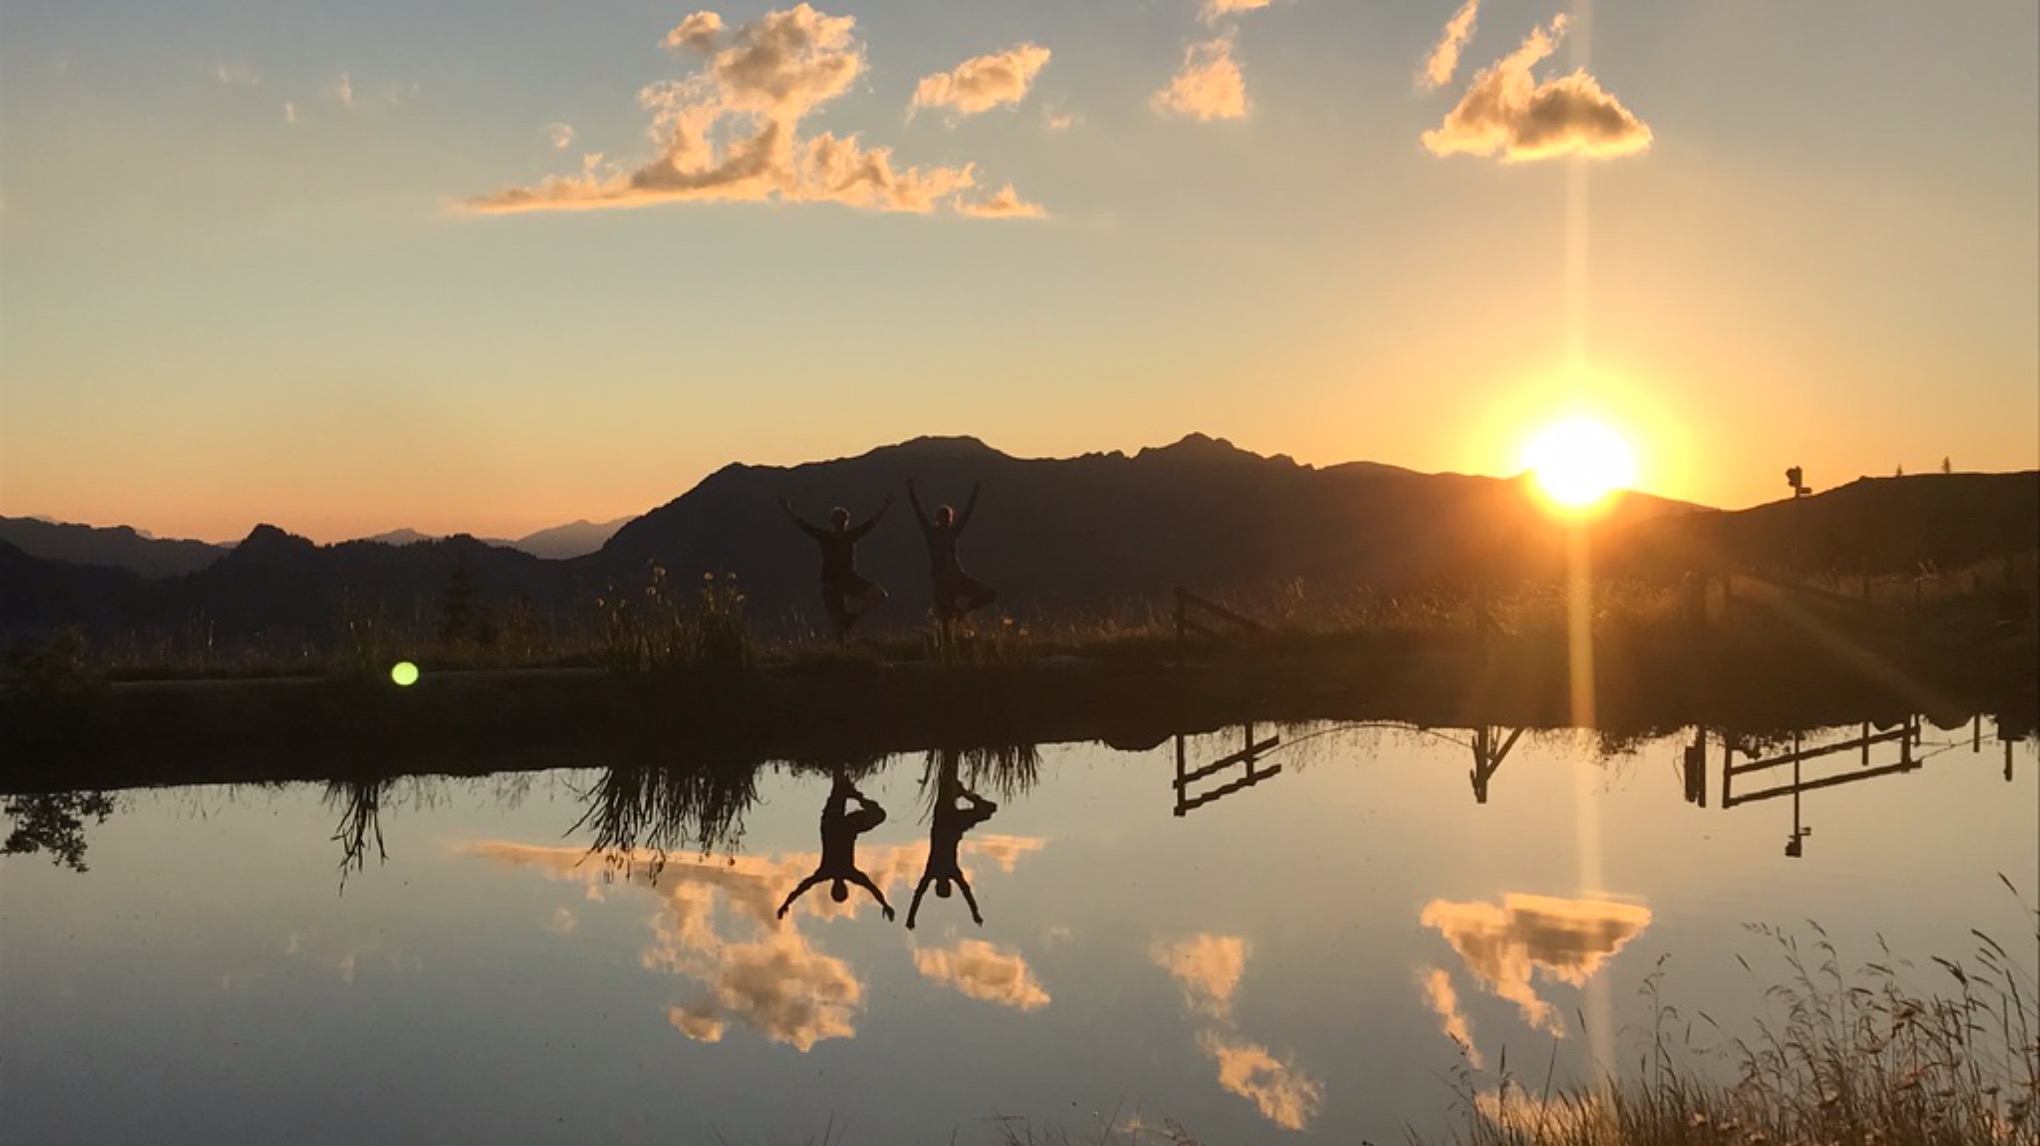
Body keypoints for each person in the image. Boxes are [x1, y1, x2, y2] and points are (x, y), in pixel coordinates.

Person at [778, 772, 895, 921]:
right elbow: (871, 888)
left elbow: (802, 887)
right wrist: (884, 904)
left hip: (833, 823)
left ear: (836, 889)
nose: (840, 887)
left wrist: (786, 904)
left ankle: (847, 786)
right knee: (876, 814)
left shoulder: (830, 872)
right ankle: (850, 790)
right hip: (844, 826)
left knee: (840, 790)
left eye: (838, 890)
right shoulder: (842, 873)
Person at [906, 750, 999, 930]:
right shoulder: (936, 873)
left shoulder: (943, 872)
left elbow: (965, 893)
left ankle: (959, 784)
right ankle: (961, 789)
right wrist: (911, 917)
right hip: (951, 825)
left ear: (946, 885)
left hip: (948, 824)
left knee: (987, 810)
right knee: (987, 810)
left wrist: (975, 913)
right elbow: (919, 895)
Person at [779, 494, 890, 639]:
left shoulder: (837, 537)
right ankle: (843, 643)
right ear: (835, 522)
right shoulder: (833, 537)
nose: (840, 524)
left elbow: (870, 524)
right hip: (833, 584)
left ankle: (851, 620)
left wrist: (885, 507)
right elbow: (803, 525)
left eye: (842, 521)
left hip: (844, 581)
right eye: (839, 521)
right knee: (839, 626)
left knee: (878, 596)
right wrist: (885, 507)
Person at [906, 479, 995, 624]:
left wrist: (974, 495)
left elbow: (966, 514)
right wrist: (912, 493)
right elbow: (919, 514)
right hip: (943, 580)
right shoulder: (933, 533)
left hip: (956, 577)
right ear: (938, 519)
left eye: (947, 517)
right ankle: (957, 616)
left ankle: (963, 611)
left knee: (988, 594)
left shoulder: (952, 532)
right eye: (943, 517)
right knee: (945, 621)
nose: (945, 520)